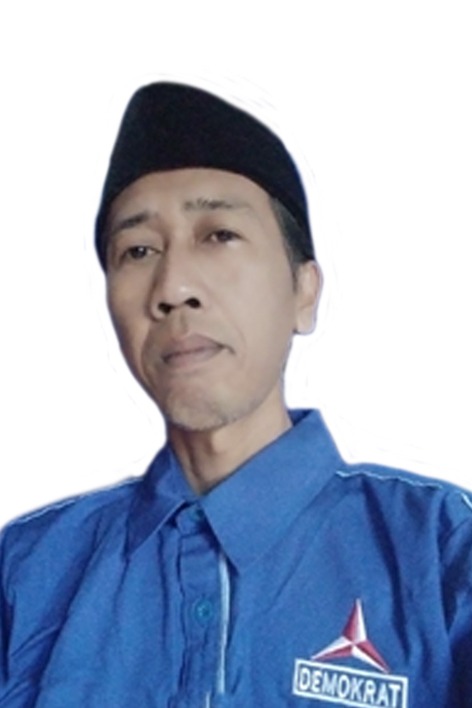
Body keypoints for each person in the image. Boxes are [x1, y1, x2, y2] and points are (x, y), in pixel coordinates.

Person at [0, 82, 471, 708]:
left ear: (304, 292)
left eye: (218, 234)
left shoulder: (440, 552)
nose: (173, 288)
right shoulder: (30, 570)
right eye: (138, 250)